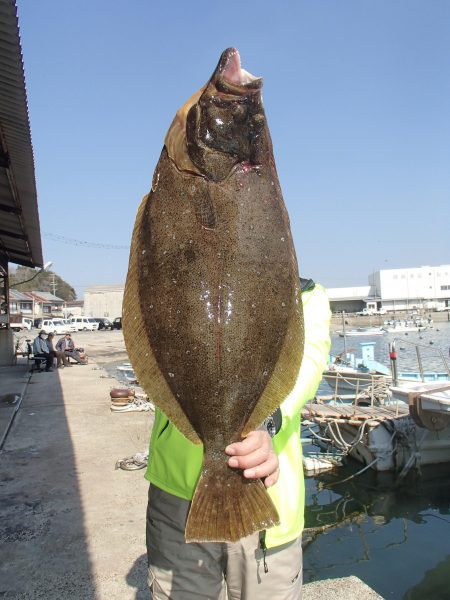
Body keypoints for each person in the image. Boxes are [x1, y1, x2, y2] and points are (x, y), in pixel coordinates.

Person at [144, 278, 331, 599]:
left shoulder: (308, 295)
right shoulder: (171, 287)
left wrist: (264, 420)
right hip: (178, 502)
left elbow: (307, 364)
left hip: (266, 505)